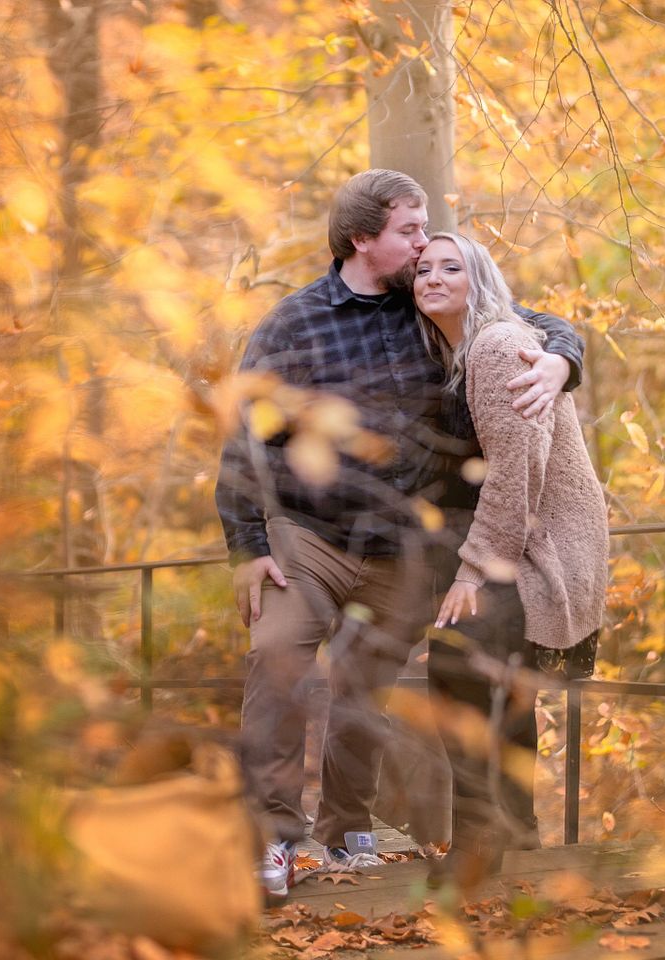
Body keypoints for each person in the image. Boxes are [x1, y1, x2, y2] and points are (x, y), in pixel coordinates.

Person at [214, 169, 587, 901]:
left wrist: (560, 360)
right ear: (364, 238)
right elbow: (241, 433)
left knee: (392, 676)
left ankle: (353, 827)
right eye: (411, 232)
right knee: (278, 656)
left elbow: (528, 321)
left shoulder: (430, 298)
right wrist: (247, 546)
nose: (424, 245)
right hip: (311, 537)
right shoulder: (295, 323)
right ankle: (272, 842)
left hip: (408, 549)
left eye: (426, 233)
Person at [412, 232, 608, 894]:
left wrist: (473, 574)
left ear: (480, 280)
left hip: (543, 542)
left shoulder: (496, 347)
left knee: (457, 661)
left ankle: (478, 836)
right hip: (524, 536)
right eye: (422, 268)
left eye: (450, 266)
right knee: (503, 673)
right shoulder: (466, 350)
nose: (431, 275)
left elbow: (514, 475)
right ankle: (517, 827)